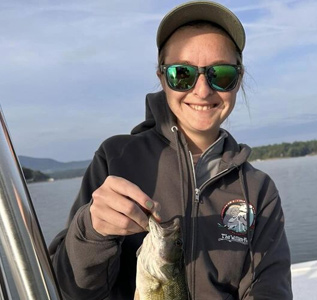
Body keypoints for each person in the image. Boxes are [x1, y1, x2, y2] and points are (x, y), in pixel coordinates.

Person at [49, 1, 293, 299]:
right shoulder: (116, 158)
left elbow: (270, 291)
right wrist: (92, 232)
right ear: (162, 78)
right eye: (182, 74)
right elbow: (69, 289)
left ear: (239, 80)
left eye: (222, 74)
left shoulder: (259, 190)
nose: (202, 90)